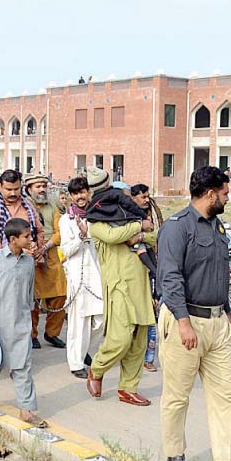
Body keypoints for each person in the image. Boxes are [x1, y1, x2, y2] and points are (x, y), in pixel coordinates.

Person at [157, 166, 231, 461]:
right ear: (209, 193)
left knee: (226, 396)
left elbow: (217, 272)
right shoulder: (178, 228)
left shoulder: (217, 228)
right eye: (225, 192)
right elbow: (170, 276)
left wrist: (227, 311)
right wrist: (183, 321)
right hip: (184, 322)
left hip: (217, 322)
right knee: (177, 396)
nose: (228, 197)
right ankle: (175, 457)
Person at [84, 167, 155, 407]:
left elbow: (155, 234)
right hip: (118, 287)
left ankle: (128, 388)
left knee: (138, 342)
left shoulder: (130, 215)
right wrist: (138, 228)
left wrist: (141, 234)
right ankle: (97, 368)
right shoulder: (95, 223)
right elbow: (114, 237)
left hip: (141, 286)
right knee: (121, 338)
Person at [0, 217, 47, 427]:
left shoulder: (28, 262)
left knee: (22, 366)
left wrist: (32, 311)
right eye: (26, 236)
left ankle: (26, 410)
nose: (30, 239)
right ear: (13, 239)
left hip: (22, 322)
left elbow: (30, 289)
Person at [59, 177, 103, 378]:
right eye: (76, 193)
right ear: (71, 196)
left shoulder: (98, 215)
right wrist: (81, 236)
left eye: (82, 192)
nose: (80, 197)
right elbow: (66, 250)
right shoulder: (65, 220)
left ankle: (84, 350)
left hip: (98, 276)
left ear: (89, 192)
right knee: (79, 323)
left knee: (102, 320)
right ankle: (76, 364)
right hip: (77, 276)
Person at [24, 173, 67, 349]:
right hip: (31, 257)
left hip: (51, 255)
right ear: (29, 189)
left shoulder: (53, 207)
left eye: (44, 186)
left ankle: (52, 333)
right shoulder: (24, 207)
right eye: (38, 186)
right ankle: (32, 335)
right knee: (32, 300)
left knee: (60, 296)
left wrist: (47, 245)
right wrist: (34, 248)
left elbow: (59, 231)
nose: (42, 189)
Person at [130, 183, 163, 372]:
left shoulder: (151, 212)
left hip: (152, 268)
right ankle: (133, 355)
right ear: (134, 198)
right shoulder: (130, 216)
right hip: (138, 273)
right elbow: (136, 245)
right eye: (142, 197)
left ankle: (148, 358)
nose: (146, 199)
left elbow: (156, 237)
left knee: (152, 318)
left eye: (147, 196)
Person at [0, 168, 44, 259]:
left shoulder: (28, 205)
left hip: (29, 262)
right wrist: (16, 252)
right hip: (1, 264)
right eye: (9, 189)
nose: (13, 193)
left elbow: (40, 231)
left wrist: (36, 247)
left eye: (16, 189)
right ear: (0, 186)